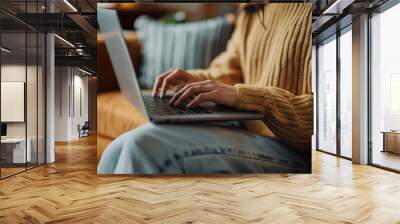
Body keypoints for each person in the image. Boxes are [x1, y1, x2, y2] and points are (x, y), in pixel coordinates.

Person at [98, 3, 313, 174]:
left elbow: (330, 119)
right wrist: (193, 81)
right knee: (116, 150)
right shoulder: (254, 8)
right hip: (252, 129)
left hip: (296, 149)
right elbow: (230, 71)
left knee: (144, 146)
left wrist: (246, 97)